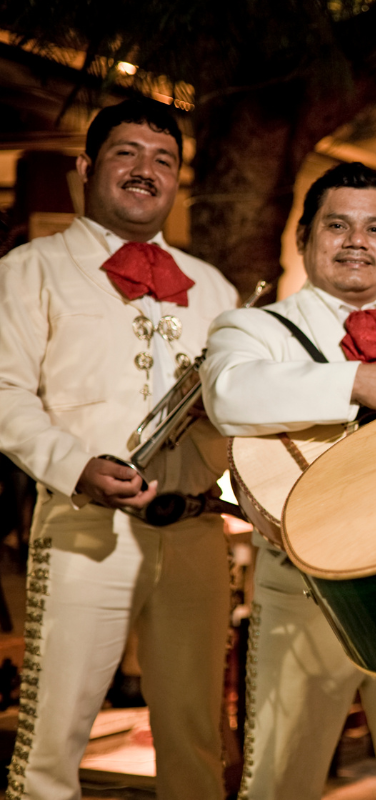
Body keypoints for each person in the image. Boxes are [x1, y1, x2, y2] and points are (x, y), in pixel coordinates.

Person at [0, 98, 239, 800]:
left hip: (196, 531)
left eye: (164, 160)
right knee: (52, 744)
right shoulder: (29, 269)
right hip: (85, 529)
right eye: (126, 153)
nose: (146, 171)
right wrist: (75, 466)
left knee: (196, 742)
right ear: (85, 167)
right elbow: (4, 391)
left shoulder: (216, 287)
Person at [201, 162, 376, 800]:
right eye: (337, 225)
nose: (356, 241)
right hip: (304, 587)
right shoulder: (255, 327)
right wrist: (356, 380)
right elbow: (228, 394)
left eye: (375, 228)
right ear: (303, 239)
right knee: (281, 774)